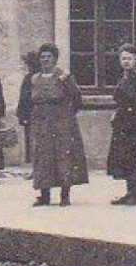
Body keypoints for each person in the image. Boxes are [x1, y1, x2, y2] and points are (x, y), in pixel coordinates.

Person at [27, 43, 89, 206]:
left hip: (61, 121)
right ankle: (44, 195)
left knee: (63, 154)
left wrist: (66, 117)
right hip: (41, 122)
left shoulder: (64, 77)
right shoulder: (35, 78)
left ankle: (65, 195)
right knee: (43, 156)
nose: (45, 60)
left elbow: (77, 99)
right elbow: (30, 101)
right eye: (42, 57)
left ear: (55, 59)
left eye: (48, 57)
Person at [107, 43, 136, 206]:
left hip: (133, 125)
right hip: (122, 124)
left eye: (129, 58)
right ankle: (129, 193)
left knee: (135, 157)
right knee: (124, 158)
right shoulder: (123, 78)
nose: (126, 62)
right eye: (123, 58)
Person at [14, 50, 39, 163]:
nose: (29, 67)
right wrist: (22, 114)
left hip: (37, 113)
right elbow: (23, 98)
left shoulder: (38, 78)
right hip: (29, 114)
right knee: (31, 141)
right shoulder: (28, 78)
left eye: (30, 64)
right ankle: (33, 167)